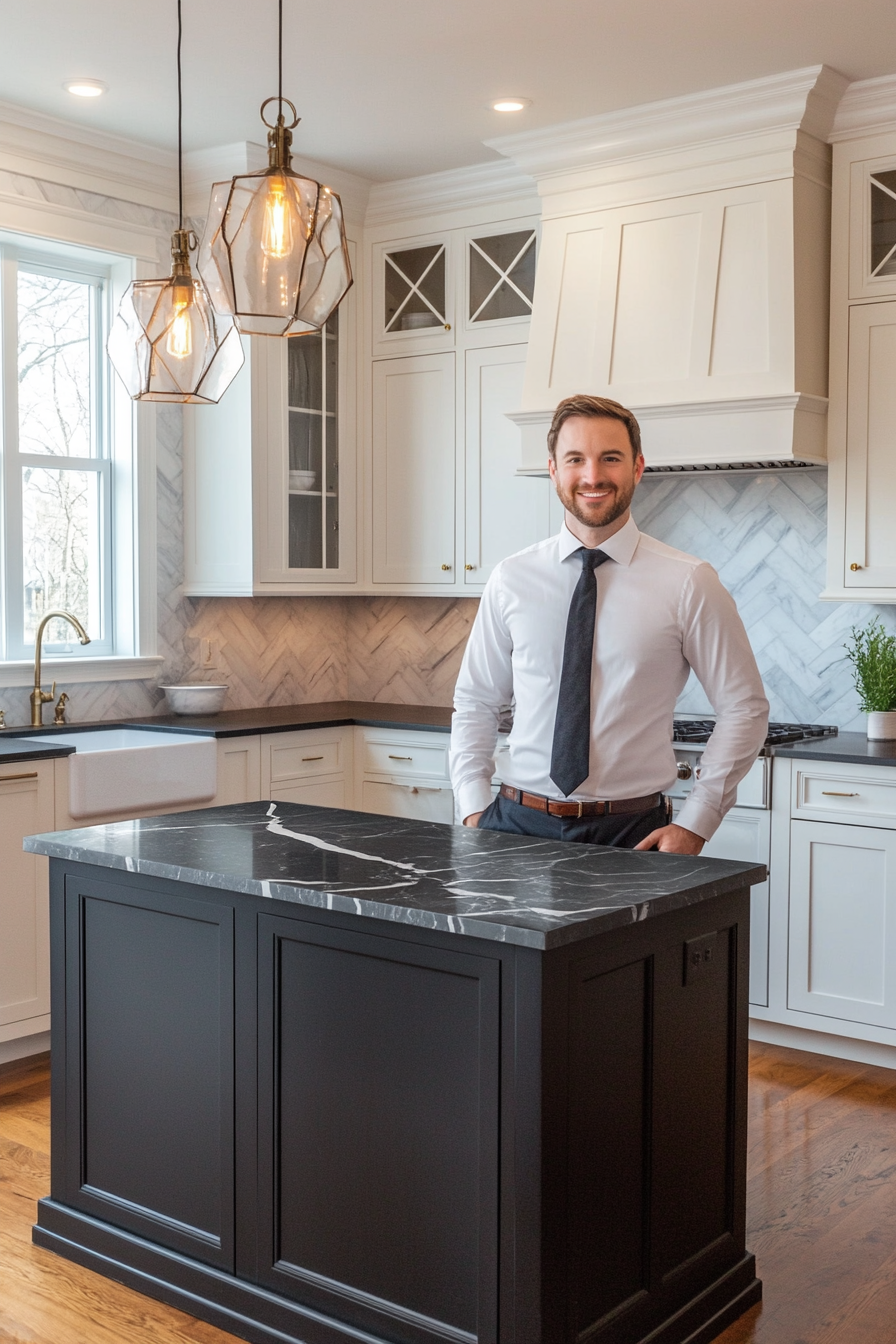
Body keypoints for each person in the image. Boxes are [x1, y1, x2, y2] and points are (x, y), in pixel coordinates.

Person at [449, 393, 769, 854]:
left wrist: (698, 822)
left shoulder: (689, 582)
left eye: (610, 458)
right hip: (511, 826)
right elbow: (476, 701)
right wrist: (473, 806)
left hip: (633, 835)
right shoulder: (511, 578)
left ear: (637, 468)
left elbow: (745, 708)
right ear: (554, 470)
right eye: (575, 459)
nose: (593, 475)